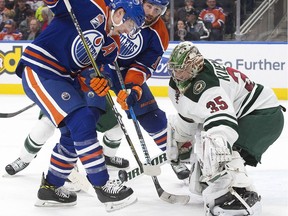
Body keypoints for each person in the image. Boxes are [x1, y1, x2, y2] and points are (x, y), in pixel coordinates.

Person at [14, 0, 145, 211]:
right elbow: (54, 3)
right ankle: (102, 185)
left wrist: (101, 81)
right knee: (82, 120)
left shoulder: (112, 44)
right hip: (41, 69)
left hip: (64, 79)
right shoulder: (92, 6)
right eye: (130, 25)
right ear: (120, 13)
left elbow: (98, 71)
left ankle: (51, 188)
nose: (128, 32)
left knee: (72, 134)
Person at [166, 41, 284, 215]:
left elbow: (223, 124)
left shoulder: (207, 86)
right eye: (174, 69)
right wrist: (179, 140)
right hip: (246, 114)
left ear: (195, 66)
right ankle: (220, 183)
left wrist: (216, 151)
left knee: (218, 144)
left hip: (263, 116)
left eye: (181, 69)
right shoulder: (179, 84)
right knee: (207, 145)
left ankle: (239, 195)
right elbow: (189, 117)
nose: (177, 74)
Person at [107, 0, 190, 180]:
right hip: (99, 67)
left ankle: (176, 158)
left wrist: (133, 87)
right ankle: (70, 163)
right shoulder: (122, 8)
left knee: (151, 115)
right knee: (84, 114)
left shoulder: (159, 34)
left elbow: (144, 66)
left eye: (157, 9)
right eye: (148, 6)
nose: (151, 12)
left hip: (126, 73)